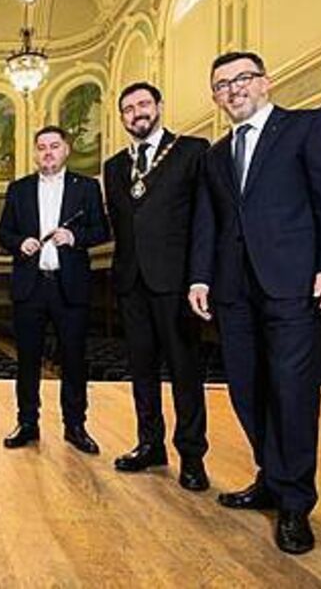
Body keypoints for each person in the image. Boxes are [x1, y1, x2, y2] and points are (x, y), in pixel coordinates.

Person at [189, 51, 321, 554]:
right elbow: (210, 222)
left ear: (265, 82)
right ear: (216, 97)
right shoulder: (217, 155)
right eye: (222, 85)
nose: (233, 89)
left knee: (293, 393)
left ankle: (295, 503)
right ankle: (271, 476)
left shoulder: (309, 127)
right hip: (234, 291)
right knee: (247, 389)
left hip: (293, 284)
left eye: (242, 78)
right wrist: (200, 278)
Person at [101, 81, 210, 491]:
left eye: (143, 104)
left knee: (185, 372)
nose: (137, 113)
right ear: (122, 118)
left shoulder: (191, 151)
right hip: (131, 282)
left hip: (175, 282)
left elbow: (204, 220)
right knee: (142, 371)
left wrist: (199, 276)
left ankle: (192, 456)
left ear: (159, 106)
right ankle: (150, 444)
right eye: (128, 109)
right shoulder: (114, 166)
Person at [0, 125, 110, 454]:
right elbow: (3, 232)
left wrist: (74, 237)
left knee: (74, 359)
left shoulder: (86, 187)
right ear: (35, 153)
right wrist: (20, 242)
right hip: (30, 287)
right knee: (27, 361)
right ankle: (27, 423)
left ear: (66, 150)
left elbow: (101, 230)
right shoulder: (18, 189)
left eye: (54, 146)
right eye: (42, 147)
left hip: (69, 286)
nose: (48, 152)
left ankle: (75, 426)